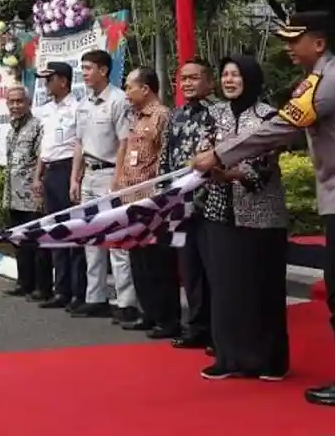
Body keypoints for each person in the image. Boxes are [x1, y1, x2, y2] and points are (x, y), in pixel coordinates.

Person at [193, 11, 335, 408]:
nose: (288, 47)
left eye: (295, 40)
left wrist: (219, 154)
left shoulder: (329, 82)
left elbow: (280, 128)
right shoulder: (319, 79)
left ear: (319, 43)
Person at [201, 55, 290, 381]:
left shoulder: (268, 116)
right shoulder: (214, 114)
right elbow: (203, 150)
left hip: (261, 214)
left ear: (250, 78)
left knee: (262, 287)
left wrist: (235, 174)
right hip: (220, 210)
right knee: (225, 287)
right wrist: (210, 171)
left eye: (235, 75)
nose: (229, 80)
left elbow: (265, 164)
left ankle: (269, 360)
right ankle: (229, 357)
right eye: (224, 74)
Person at [157, 58, 216, 348]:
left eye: (194, 78)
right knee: (189, 268)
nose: (188, 83)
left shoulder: (217, 114)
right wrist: (163, 194)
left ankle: (217, 331)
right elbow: (165, 160)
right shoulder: (176, 116)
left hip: (209, 203)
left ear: (209, 82)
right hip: (180, 204)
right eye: (184, 78)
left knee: (212, 269)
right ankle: (195, 327)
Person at [69, 49, 133, 320]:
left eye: (88, 68)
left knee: (117, 238)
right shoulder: (83, 104)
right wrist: (75, 176)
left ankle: (126, 302)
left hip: (110, 175)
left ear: (104, 70)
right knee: (91, 238)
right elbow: (79, 144)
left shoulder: (119, 100)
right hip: (89, 177)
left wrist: (119, 178)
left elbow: (125, 142)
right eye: (82, 68)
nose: (84, 73)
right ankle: (95, 297)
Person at [115, 67, 175, 336]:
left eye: (129, 87)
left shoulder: (162, 116)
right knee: (138, 260)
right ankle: (147, 312)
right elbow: (127, 151)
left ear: (146, 89)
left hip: (153, 202)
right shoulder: (135, 117)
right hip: (131, 199)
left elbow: (167, 158)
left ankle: (166, 318)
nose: (126, 92)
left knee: (157, 263)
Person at [33, 62, 80, 309]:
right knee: (55, 231)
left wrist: (75, 178)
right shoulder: (46, 110)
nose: (45, 83)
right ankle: (60, 290)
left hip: (67, 170)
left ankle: (75, 291)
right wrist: (38, 176)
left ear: (63, 81)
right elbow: (45, 147)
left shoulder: (77, 108)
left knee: (71, 231)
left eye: (49, 79)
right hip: (50, 171)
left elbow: (78, 147)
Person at [1, 84, 46, 299]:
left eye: (20, 101)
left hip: (31, 195)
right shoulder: (11, 130)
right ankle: (23, 283)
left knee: (35, 242)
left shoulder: (37, 127)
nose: (15, 106)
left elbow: (41, 159)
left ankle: (41, 287)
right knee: (18, 241)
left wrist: (38, 185)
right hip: (13, 195)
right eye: (12, 102)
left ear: (29, 103)